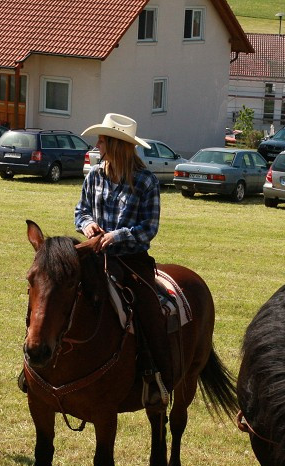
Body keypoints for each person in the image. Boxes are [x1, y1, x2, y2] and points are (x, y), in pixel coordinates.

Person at [74, 113, 171, 407]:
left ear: (116, 144)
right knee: (59, 294)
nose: (98, 144)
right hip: (94, 255)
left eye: (102, 140)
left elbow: (148, 229)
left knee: (148, 307)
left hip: (131, 261)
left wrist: (116, 236)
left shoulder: (146, 181)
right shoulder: (94, 175)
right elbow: (81, 211)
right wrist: (88, 225)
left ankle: (155, 375)